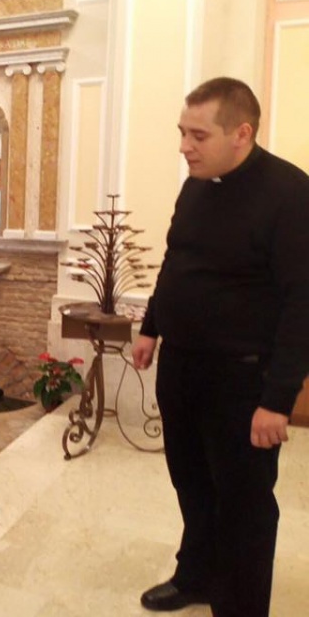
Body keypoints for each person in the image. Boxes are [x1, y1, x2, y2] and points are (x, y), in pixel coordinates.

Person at [133, 77, 309, 616]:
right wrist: (150, 325)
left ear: (242, 133)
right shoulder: (197, 183)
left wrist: (277, 400)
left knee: (246, 505)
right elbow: (177, 260)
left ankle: (240, 606)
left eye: (197, 135)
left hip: (243, 380)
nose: (183, 146)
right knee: (192, 483)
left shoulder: (290, 194)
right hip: (182, 367)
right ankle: (198, 576)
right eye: (182, 132)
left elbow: (303, 303)